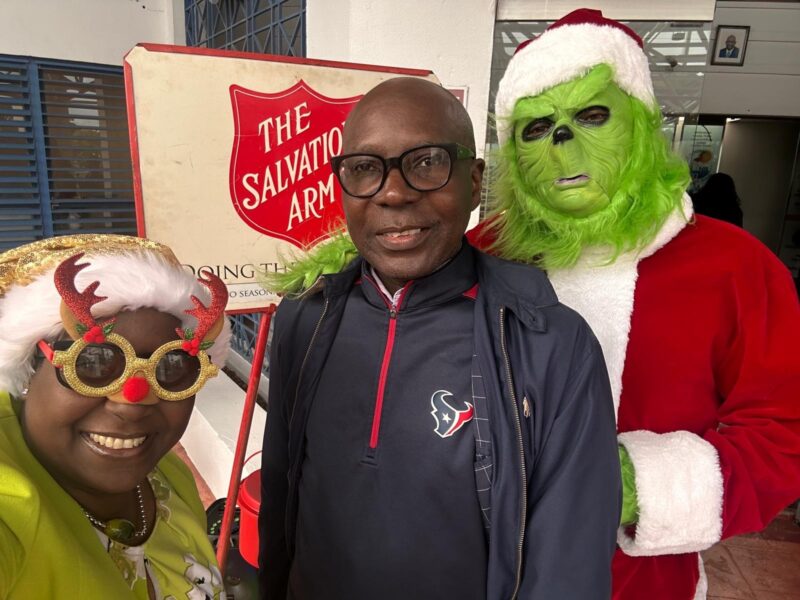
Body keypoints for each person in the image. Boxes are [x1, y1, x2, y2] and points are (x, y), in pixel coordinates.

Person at [474, 8, 800, 600]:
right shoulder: (481, 253)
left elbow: (783, 433)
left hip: (645, 582)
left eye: (591, 115)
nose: (563, 141)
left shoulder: (737, 267)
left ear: (643, 122)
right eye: (537, 127)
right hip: (482, 569)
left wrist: (627, 483)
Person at [259, 77, 621, 599]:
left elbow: (569, 566)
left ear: (474, 182)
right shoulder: (305, 318)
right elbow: (280, 497)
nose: (393, 193)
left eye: (427, 162)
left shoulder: (551, 344)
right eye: (364, 168)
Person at [0, 234, 232, 599]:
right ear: (29, 369)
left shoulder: (171, 477)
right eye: (93, 364)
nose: (131, 402)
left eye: (172, 366)